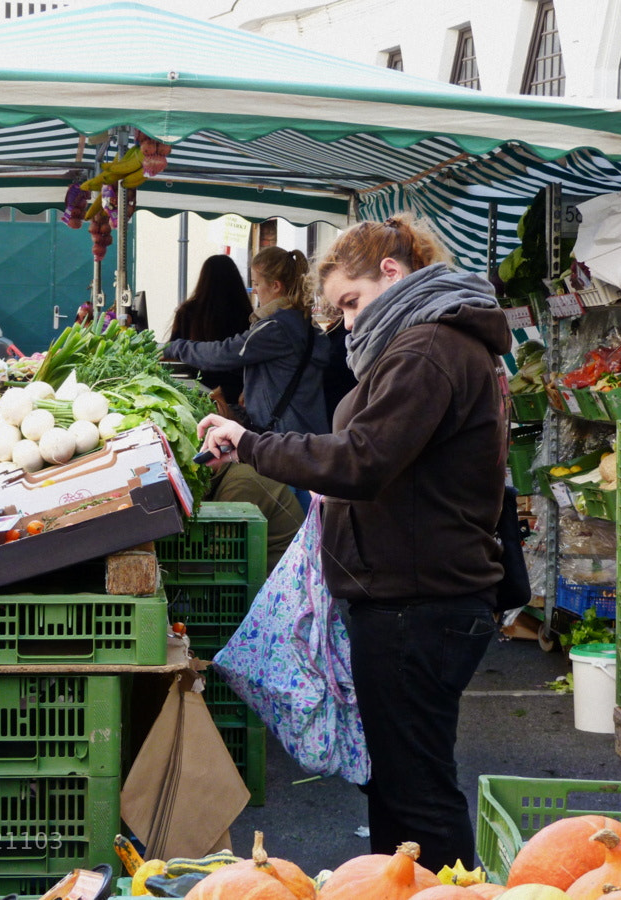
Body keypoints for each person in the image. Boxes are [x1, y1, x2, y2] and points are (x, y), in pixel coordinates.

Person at [196, 214, 510, 870]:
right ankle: (400, 883)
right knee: (399, 785)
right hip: (414, 593)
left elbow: (364, 458)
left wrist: (252, 443)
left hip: (418, 601)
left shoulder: (428, 349)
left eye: (352, 302)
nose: (348, 321)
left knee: (417, 791)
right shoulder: (428, 342)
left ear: (391, 274)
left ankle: (442, 889)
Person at [163, 246, 329, 436]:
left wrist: (175, 348)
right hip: (306, 430)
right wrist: (252, 390)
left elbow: (224, 353)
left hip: (285, 437)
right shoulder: (303, 322)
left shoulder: (276, 328)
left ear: (276, 286)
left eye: (257, 284)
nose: (255, 291)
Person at [168, 255, 254, 406]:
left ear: (203, 279)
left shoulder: (188, 312)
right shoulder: (244, 313)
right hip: (235, 395)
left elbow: (172, 353)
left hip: (195, 394)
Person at [202, 457, 305, 571]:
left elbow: (219, 552)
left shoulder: (242, 481)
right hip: (271, 571)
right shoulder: (234, 471)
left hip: (278, 578)